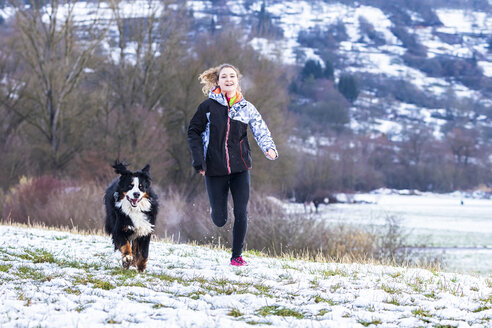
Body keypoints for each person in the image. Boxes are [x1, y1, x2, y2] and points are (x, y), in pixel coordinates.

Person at [187, 63, 278, 266]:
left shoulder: (246, 108)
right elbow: (193, 131)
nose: (229, 80)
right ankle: (216, 211)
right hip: (214, 168)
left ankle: (236, 256)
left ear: (237, 81)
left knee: (241, 211)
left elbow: (260, 129)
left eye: (232, 77)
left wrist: (269, 148)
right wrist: (198, 160)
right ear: (217, 81)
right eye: (224, 77)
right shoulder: (207, 107)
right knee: (220, 219)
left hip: (240, 167)